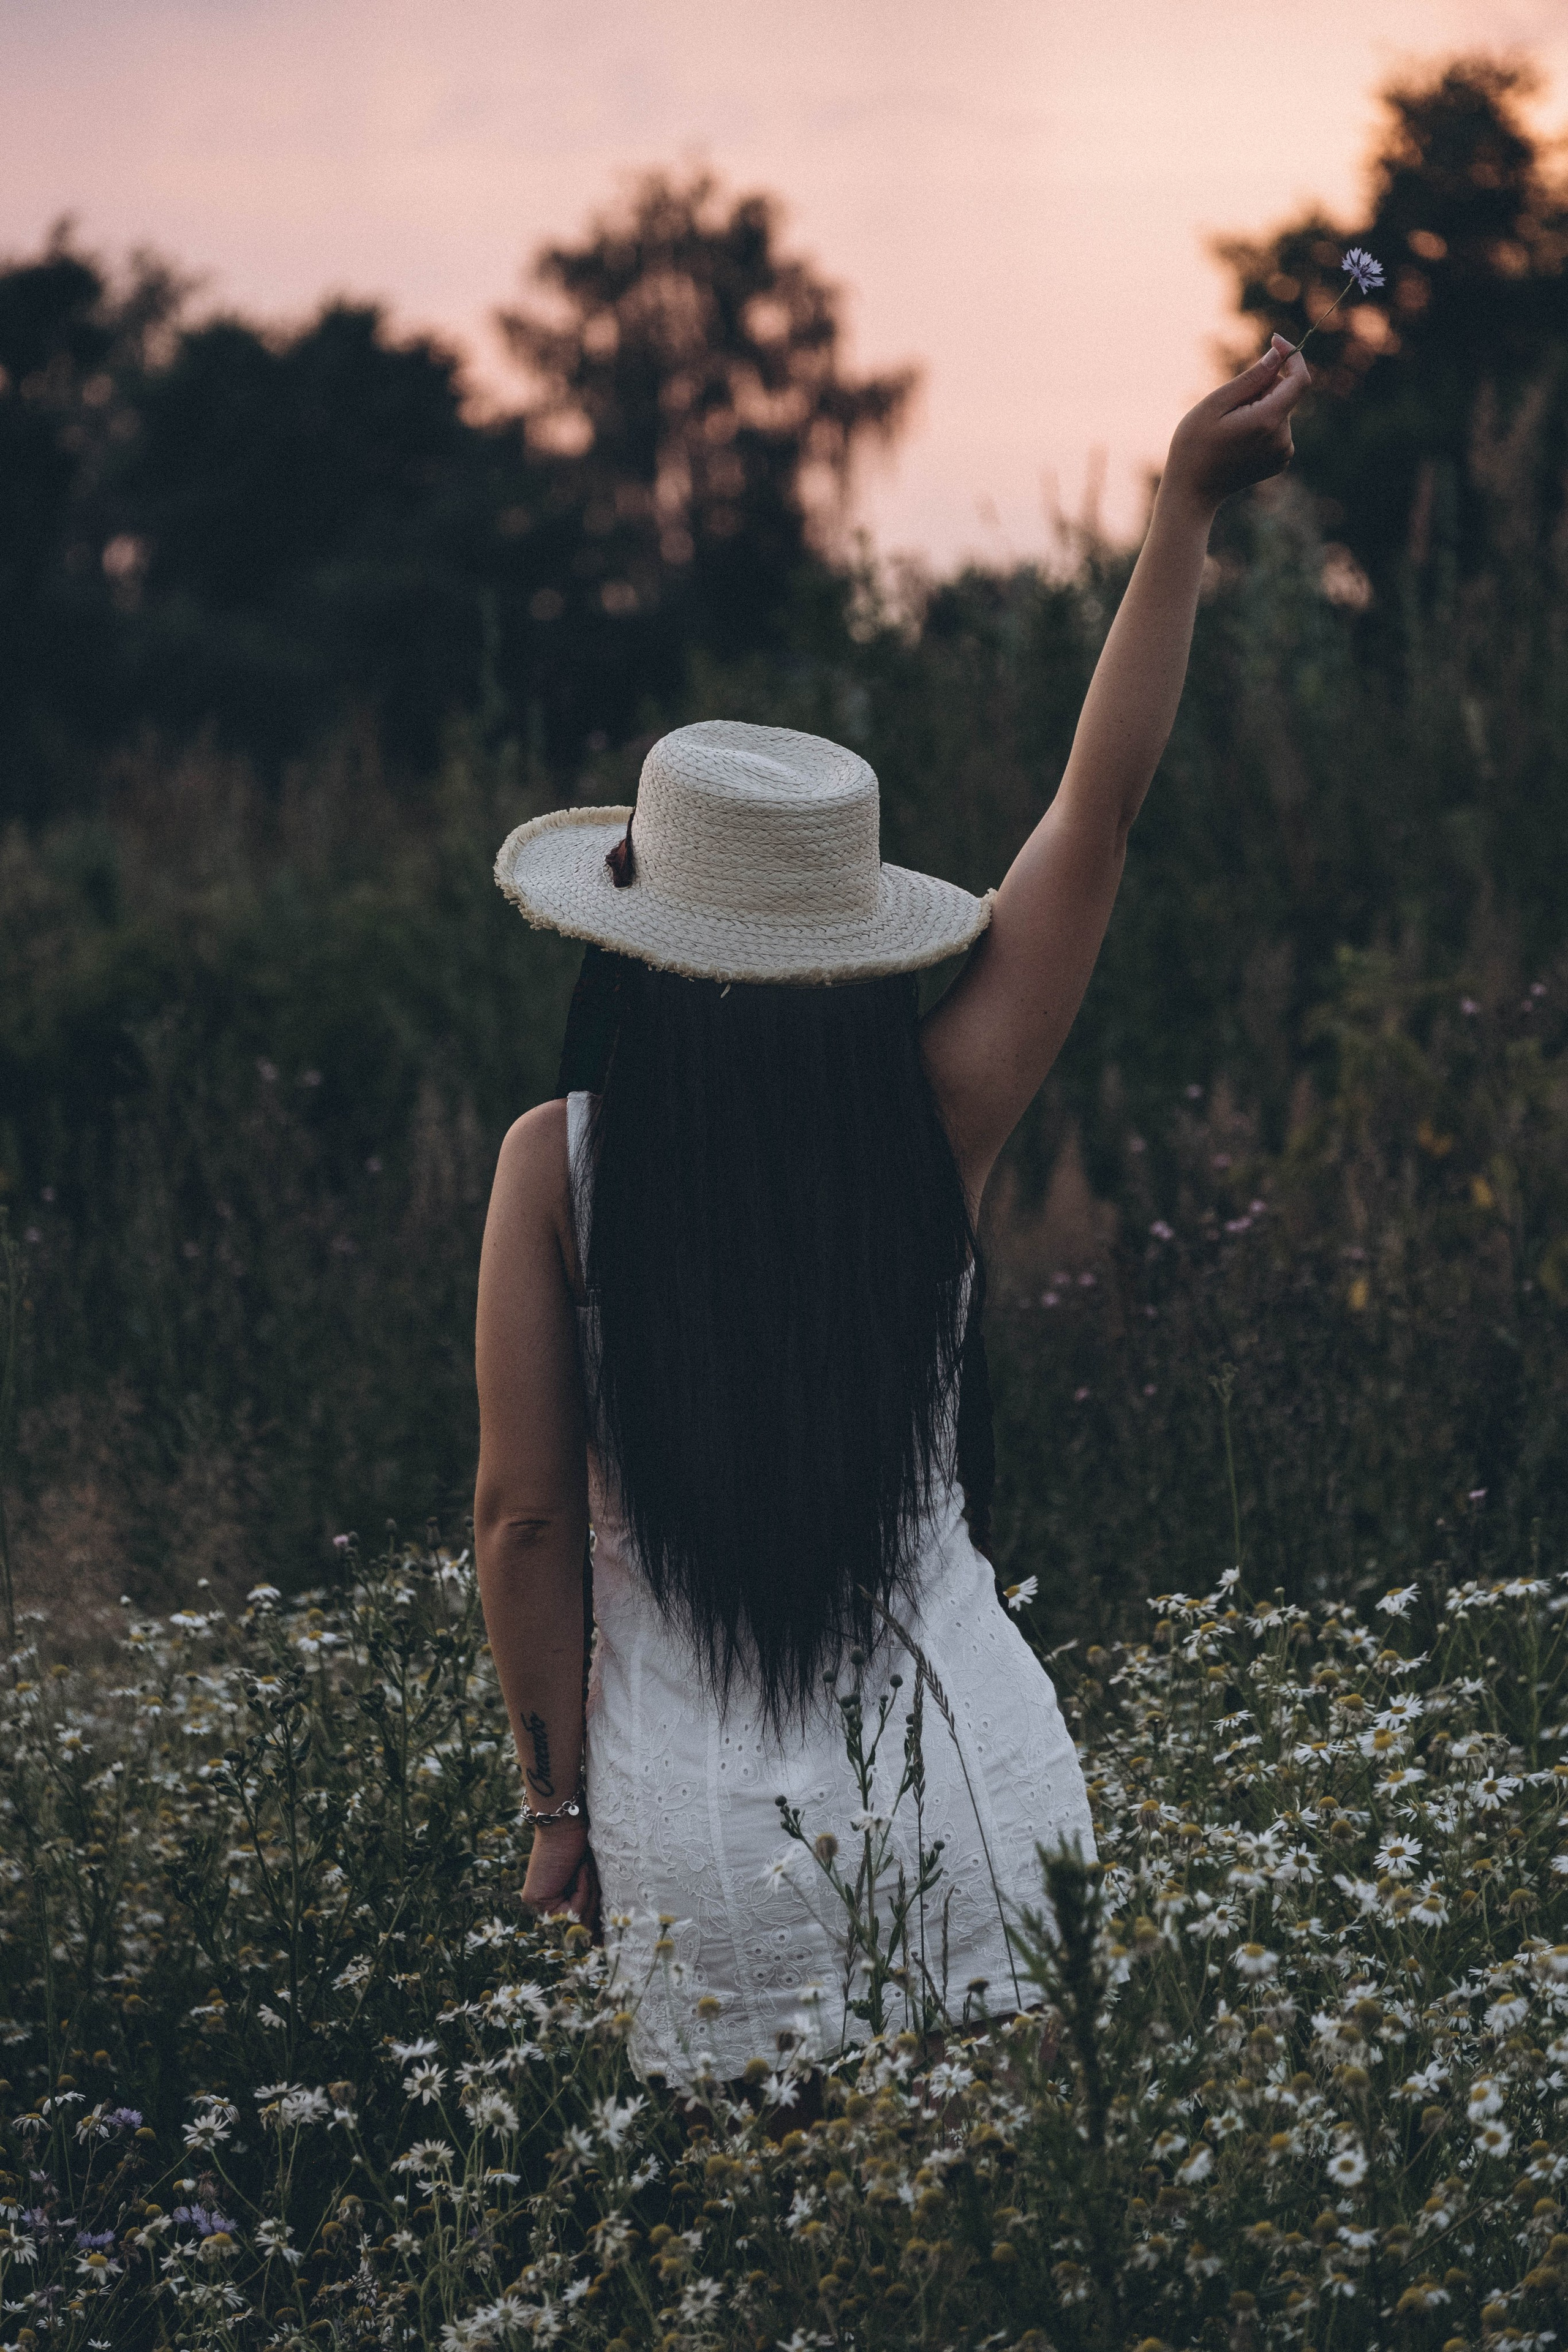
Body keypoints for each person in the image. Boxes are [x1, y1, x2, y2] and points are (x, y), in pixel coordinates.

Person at [474, 333, 1310, 2081]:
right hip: (977, 1804)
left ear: (637, 934)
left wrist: (555, 1809)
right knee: (1004, 2234)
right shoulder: (934, 1120)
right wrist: (1180, 513)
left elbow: (525, 1523)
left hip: (700, 1847)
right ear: (847, 936)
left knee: (766, 2239)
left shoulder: (557, 1168)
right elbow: (1097, 813)